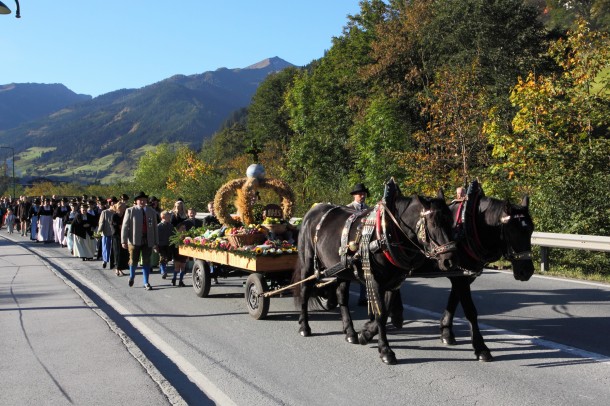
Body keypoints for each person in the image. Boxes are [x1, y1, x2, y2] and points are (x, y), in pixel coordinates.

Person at [121, 191, 159, 290]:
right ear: (136, 201)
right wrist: (123, 241)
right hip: (134, 239)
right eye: (140, 200)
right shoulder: (130, 211)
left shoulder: (151, 211)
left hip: (148, 239)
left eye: (144, 200)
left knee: (146, 261)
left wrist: (156, 241)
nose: (142, 202)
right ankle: (132, 276)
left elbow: (155, 227)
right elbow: (125, 226)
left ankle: (146, 282)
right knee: (133, 260)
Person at [346, 183, 369, 306]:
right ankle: (345, 295)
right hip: (350, 243)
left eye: (363, 193)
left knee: (364, 270)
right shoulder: (348, 208)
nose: (362, 195)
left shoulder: (368, 209)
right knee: (347, 270)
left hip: (363, 243)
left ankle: (363, 297)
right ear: (354, 195)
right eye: (360, 194)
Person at [111, 202, 129, 276]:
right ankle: (117, 268)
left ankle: (121, 268)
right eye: (122, 207)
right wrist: (119, 226)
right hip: (117, 236)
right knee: (117, 252)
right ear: (118, 208)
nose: (124, 208)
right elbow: (113, 225)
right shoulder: (114, 215)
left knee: (123, 253)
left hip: (124, 235)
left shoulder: (125, 215)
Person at [97, 202, 116, 269]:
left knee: (107, 248)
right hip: (107, 233)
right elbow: (101, 222)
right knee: (107, 248)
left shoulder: (115, 212)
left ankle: (107, 261)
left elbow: (101, 222)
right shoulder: (105, 212)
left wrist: (99, 231)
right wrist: (99, 230)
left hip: (111, 233)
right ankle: (105, 260)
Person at [156, 210, 174, 280]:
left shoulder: (170, 226)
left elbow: (173, 234)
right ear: (163, 217)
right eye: (168, 216)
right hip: (161, 244)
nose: (169, 217)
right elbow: (156, 236)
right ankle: (163, 271)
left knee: (168, 258)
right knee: (163, 257)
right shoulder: (158, 226)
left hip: (168, 244)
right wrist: (155, 245)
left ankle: (164, 268)